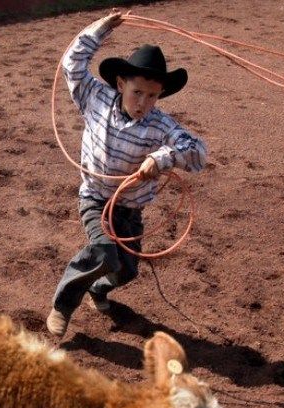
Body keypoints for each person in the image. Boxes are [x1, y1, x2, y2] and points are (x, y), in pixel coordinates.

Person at [46, 10, 208, 338]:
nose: (143, 102)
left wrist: (163, 158)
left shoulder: (161, 125)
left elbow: (198, 153)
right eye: (137, 92)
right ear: (120, 84)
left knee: (126, 271)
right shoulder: (96, 98)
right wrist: (102, 27)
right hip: (95, 197)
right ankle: (63, 303)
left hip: (130, 210)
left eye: (152, 96)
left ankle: (98, 291)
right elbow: (72, 63)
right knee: (104, 252)